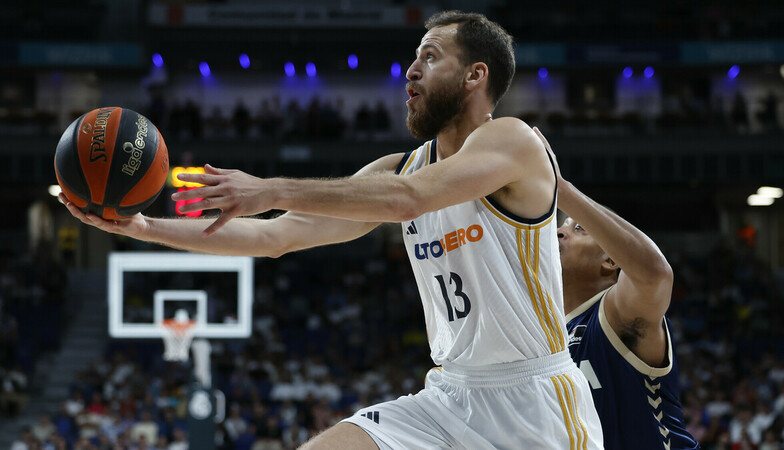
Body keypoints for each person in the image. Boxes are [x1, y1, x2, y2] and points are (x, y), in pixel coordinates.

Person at [62, 11, 602, 450]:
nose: (411, 71)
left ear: (475, 76)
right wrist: (142, 225)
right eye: (412, 58)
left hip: (535, 404)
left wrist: (269, 187)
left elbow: (407, 203)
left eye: (430, 57)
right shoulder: (399, 168)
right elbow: (277, 238)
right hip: (451, 396)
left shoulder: (514, 140)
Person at [533, 127, 699, 449]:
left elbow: (655, 275)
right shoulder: (544, 334)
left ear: (610, 261)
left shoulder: (613, 312)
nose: (559, 232)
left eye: (577, 228)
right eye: (560, 226)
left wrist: (561, 189)